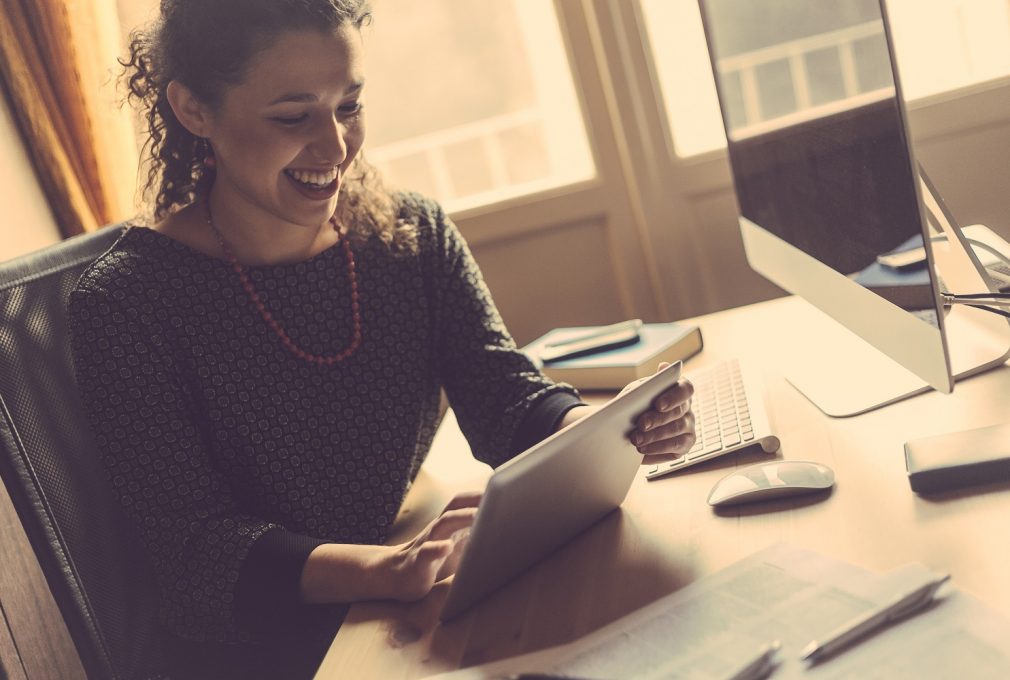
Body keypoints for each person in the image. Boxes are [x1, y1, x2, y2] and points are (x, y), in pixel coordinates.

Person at [67, 1, 696, 678]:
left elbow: (502, 395)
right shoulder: (126, 302)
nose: (336, 147)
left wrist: (605, 429)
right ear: (194, 111)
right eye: (292, 116)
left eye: (349, 105)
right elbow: (199, 554)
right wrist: (382, 569)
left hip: (402, 601)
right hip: (268, 650)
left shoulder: (412, 236)